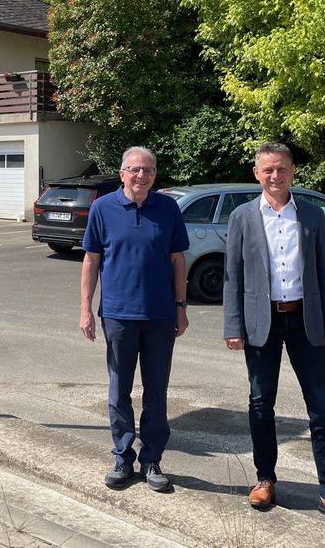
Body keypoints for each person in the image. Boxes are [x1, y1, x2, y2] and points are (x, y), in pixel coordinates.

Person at [222, 142, 325, 533]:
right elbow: (232, 276)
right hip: (261, 324)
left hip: (307, 322)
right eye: (268, 170)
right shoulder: (242, 217)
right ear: (257, 174)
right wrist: (232, 325)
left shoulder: (312, 215)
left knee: (323, 410)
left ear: (292, 172)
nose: (275, 176)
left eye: (282, 169)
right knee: (260, 404)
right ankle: (265, 479)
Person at [80, 146, 190, 491]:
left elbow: (177, 261)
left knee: (157, 391)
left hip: (159, 316)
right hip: (118, 315)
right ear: (122, 172)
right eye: (134, 170)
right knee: (119, 390)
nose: (141, 176)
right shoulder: (102, 208)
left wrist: (181, 306)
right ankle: (122, 457)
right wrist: (86, 308)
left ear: (155, 175)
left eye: (148, 170)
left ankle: (153, 459)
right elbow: (91, 261)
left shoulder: (168, 208)